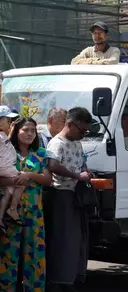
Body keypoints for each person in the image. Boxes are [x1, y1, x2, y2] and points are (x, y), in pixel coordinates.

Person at [0, 117, 53, 292]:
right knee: (6, 256)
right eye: (25, 130)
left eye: (33, 131)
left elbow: (48, 180)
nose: (29, 134)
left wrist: (29, 176)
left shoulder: (41, 153)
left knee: (35, 257)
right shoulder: (6, 151)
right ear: (15, 130)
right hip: (9, 213)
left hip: (34, 213)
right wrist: (14, 180)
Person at [44, 107, 93, 291]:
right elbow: (53, 165)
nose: (84, 134)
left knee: (77, 241)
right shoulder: (57, 143)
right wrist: (76, 175)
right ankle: (58, 281)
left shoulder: (77, 144)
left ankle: (72, 278)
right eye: (82, 130)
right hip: (61, 195)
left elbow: (80, 164)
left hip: (76, 197)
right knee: (63, 241)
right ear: (70, 124)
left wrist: (85, 172)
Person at [0, 105, 24, 227]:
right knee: (22, 181)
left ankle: (0, 216)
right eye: (7, 121)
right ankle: (12, 209)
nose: (9, 123)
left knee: (8, 192)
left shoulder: (1, 135)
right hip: (3, 167)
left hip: (7, 166)